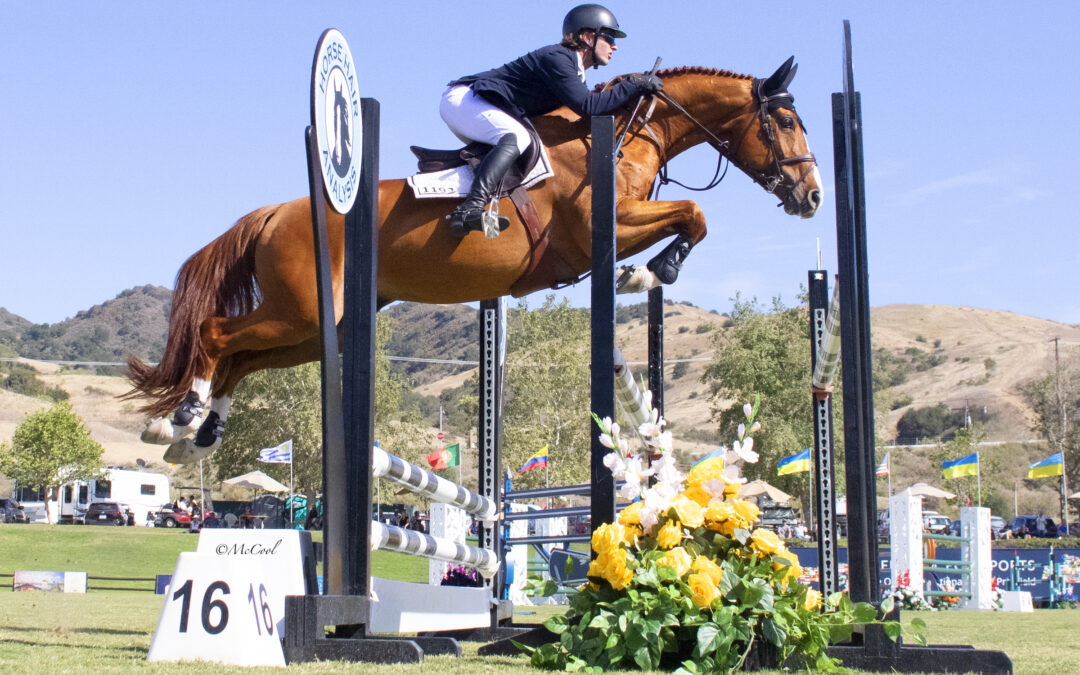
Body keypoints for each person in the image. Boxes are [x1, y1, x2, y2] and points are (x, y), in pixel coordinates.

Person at [439, 3, 663, 237]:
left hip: (482, 104)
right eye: (608, 37)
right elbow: (589, 107)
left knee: (523, 144)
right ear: (587, 37)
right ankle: (469, 209)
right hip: (465, 99)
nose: (614, 46)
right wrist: (634, 84)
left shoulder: (574, 70)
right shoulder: (558, 59)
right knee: (517, 138)